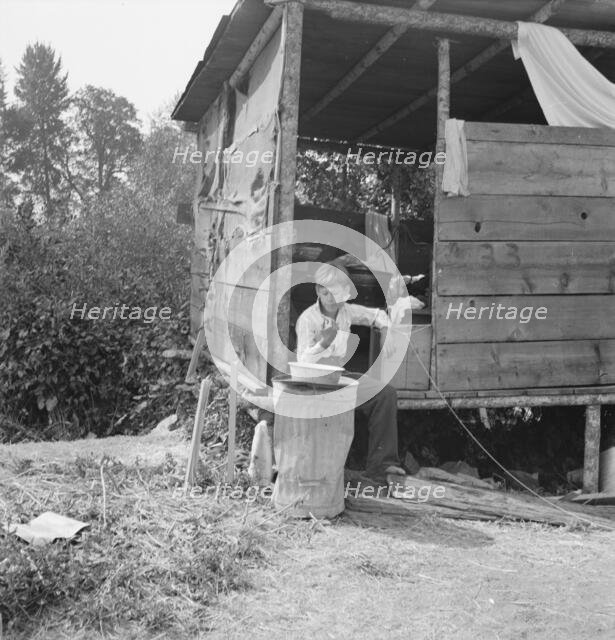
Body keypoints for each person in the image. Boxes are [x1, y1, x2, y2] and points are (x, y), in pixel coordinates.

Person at [295, 261, 407, 486]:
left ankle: (381, 467)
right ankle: (318, 472)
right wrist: (322, 344)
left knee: (385, 395)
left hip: (339, 377)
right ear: (318, 290)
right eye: (324, 290)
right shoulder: (308, 319)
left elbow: (377, 315)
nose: (330, 296)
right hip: (315, 382)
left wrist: (387, 333)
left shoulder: (346, 312)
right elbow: (302, 362)